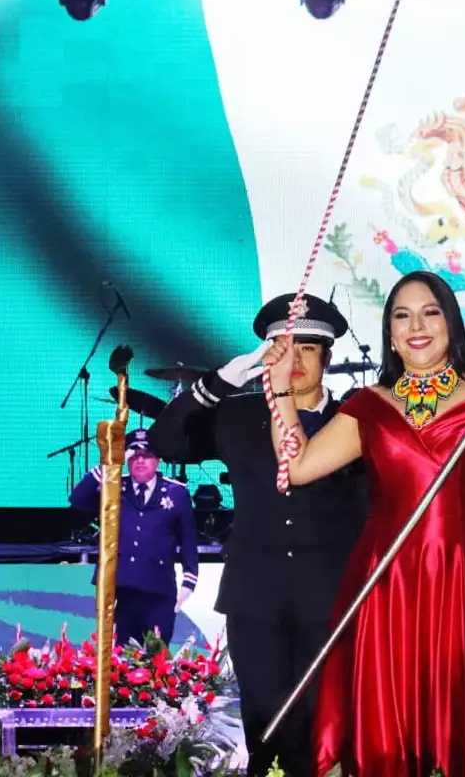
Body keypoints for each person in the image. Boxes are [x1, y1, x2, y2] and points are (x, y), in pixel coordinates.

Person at [262, 271, 465, 777]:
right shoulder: (369, 407)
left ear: (450, 324)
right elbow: (298, 468)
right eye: (401, 315)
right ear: (390, 333)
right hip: (385, 584)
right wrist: (279, 391)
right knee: (387, 727)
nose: (416, 325)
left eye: (429, 312)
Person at [146, 293, 366, 777]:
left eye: (309, 349)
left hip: (329, 594)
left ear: (328, 359)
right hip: (255, 594)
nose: (296, 360)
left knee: (319, 723)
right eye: (283, 348)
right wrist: (222, 381)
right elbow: (164, 440)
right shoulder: (239, 415)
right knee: (262, 720)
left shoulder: (354, 419)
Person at [68, 428, 198, 646]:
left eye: (147, 455)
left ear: (158, 460)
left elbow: (188, 541)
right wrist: (112, 464)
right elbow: (78, 499)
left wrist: (189, 582)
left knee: (156, 661)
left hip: (159, 590)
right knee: (118, 660)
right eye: (134, 455)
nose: (140, 461)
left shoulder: (176, 493)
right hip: (120, 589)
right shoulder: (115, 487)